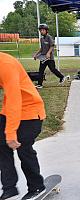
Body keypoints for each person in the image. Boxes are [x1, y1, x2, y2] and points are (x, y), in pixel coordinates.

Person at [0, 52, 46, 200]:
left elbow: (15, 99)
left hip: (31, 111)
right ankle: (9, 187)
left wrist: (11, 133)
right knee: (1, 146)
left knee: (23, 147)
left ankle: (37, 186)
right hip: (9, 111)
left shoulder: (6, 65)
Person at [33, 24, 68, 89]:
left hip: (50, 58)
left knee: (53, 69)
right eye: (40, 30)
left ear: (46, 30)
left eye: (43, 30)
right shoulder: (41, 39)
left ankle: (62, 77)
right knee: (41, 70)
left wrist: (48, 53)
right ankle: (39, 84)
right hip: (43, 58)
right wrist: (36, 54)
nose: (41, 31)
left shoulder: (49, 37)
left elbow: (52, 46)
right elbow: (41, 48)